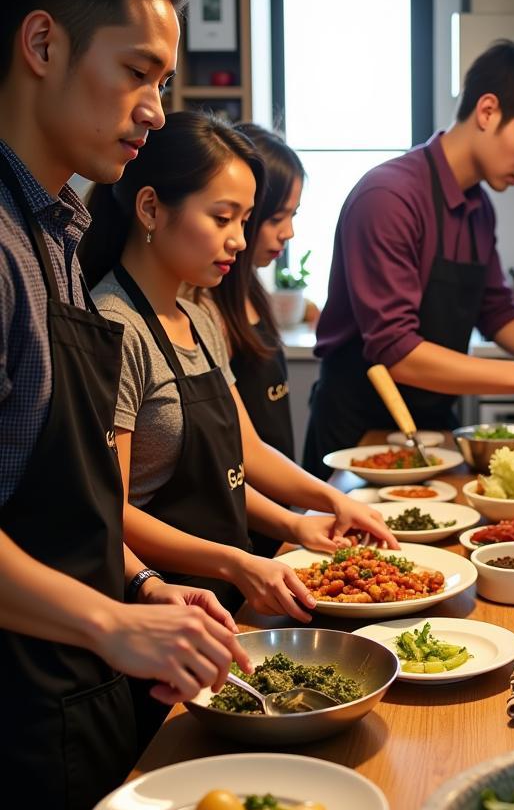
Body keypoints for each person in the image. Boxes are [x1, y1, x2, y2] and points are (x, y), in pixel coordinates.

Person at [0, 0, 251, 810]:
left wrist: (143, 586)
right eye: (138, 72)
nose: (154, 108)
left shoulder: (56, 234)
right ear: (42, 44)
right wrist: (112, 619)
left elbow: (60, 506)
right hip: (24, 714)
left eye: (163, 83)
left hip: (85, 689)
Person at [79, 110, 398, 613]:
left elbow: (243, 451)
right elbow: (109, 512)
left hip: (228, 592)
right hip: (162, 604)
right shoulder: (113, 330)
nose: (240, 241)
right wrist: (233, 561)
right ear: (150, 208)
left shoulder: (199, 315)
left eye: (245, 220)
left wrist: (328, 503)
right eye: (222, 218)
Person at [303, 39, 514, 476]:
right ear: (488, 111)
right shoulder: (389, 197)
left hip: (433, 427)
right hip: (359, 432)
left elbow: (496, 310)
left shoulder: (478, 207)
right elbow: (397, 351)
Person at [207, 123, 307, 556]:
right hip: (243, 537)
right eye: (276, 217)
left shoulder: (251, 292)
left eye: (293, 217)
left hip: (274, 529)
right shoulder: (207, 312)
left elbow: (258, 448)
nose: (287, 233)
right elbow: (231, 460)